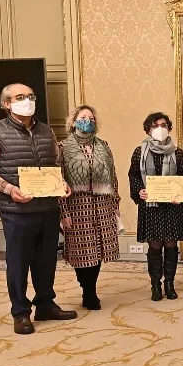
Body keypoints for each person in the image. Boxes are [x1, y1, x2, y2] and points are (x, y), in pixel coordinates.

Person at [0, 83, 78, 335]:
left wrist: (61, 184)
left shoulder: (47, 131)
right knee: (18, 263)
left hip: (48, 207)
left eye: (30, 96)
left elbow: (54, 166)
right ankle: (20, 312)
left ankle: (45, 304)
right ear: (6, 104)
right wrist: (9, 189)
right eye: (20, 97)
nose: (27, 100)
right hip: (16, 210)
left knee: (46, 260)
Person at [58, 105, 121, 311]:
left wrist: (115, 204)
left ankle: (90, 292)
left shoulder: (103, 145)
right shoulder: (62, 147)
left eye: (92, 118)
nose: (88, 121)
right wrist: (63, 212)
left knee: (97, 250)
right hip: (77, 204)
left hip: (102, 204)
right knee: (81, 252)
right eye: (83, 117)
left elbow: (113, 176)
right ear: (74, 121)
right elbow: (57, 181)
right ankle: (86, 288)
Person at [130, 112, 183, 302]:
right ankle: (155, 284)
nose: (160, 129)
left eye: (163, 125)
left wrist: (180, 195)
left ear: (169, 127)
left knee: (171, 244)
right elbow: (133, 176)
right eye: (155, 126)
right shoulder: (139, 152)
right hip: (151, 207)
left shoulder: (178, 152)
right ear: (148, 129)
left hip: (172, 207)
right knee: (155, 245)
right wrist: (139, 191)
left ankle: (169, 283)